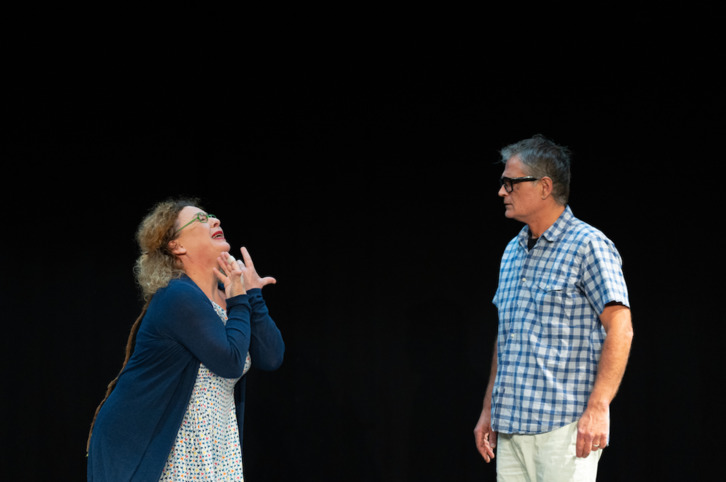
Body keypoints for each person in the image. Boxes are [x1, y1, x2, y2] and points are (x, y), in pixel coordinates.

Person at [86, 198, 285, 481]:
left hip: (213, 441)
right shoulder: (177, 295)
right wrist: (241, 299)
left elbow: (272, 357)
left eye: (212, 216)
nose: (215, 220)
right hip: (154, 442)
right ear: (177, 246)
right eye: (201, 219)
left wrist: (252, 295)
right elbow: (230, 362)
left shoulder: (230, 297)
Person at [473, 135, 633, 481]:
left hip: (564, 429)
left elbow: (621, 327)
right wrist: (489, 409)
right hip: (511, 427)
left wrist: (598, 407)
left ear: (544, 186)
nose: (502, 191)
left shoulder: (588, 244)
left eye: (511, 183)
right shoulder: (512, 251)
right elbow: (508, 336)